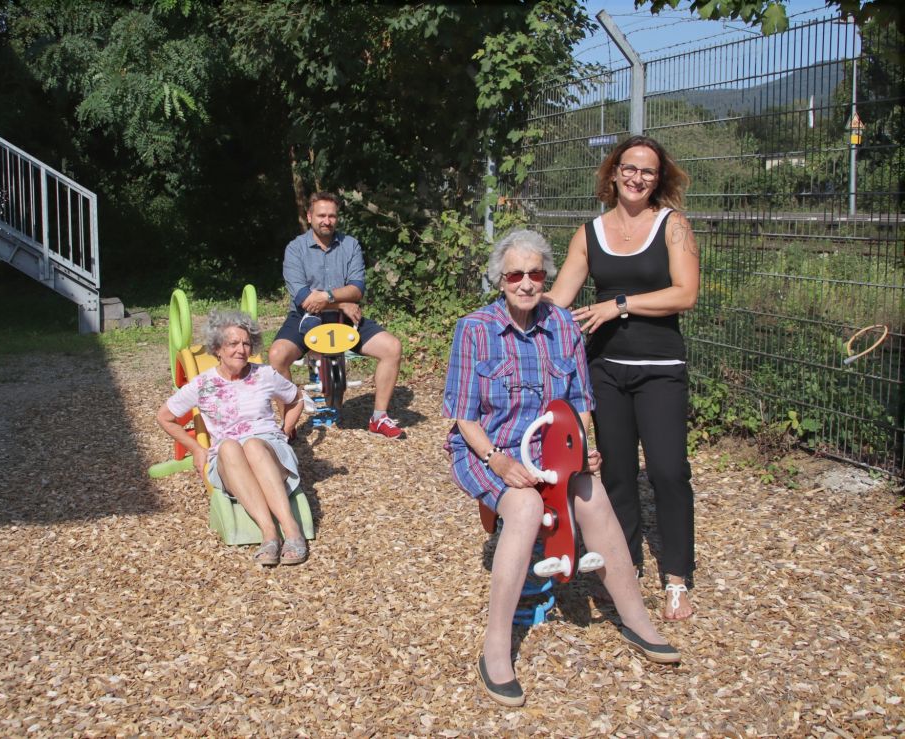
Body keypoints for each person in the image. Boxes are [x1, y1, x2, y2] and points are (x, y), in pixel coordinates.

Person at [444, 229, 679, 708]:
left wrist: (583, 450)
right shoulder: (475, 329)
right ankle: (495, 649)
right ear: (500, 279)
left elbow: (578, 405)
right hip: (488, 448)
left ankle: (636, 618)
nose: (526, 283)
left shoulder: (565, 327)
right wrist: (499, 461)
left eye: (535, 273)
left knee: (592, 496)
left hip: (549, 448)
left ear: (546, 276)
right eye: (515, 274)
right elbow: (465, 417)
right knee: (526, 508)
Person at [545, 135, 699, 622]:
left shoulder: (672, 226)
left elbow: (685, 294)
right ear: (613, 172)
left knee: (668, 471)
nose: (637, 177)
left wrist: (621, 305)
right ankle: (624, 565)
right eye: (629, 168)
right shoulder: (589, 233)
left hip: (660, 369)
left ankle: (677, 577)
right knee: (614, 473)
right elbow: (559, 299)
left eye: (648, 172)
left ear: (659, 180)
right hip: (604, 370)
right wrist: (513, 303)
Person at [157, 310, 308, 566]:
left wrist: (284, 430)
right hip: (229, 462)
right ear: (217, 348)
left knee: (252, 445)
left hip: (268, 449)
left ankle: (292, 530)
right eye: (233, 343)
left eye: (247, 343)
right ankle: (269, 534)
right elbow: (164, 417)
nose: (241, 349)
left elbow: (296, 399)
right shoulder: (202, 384)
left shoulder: (265, 375)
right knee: (227, 446)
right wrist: (195, 448)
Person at [268, 191, 406, 439]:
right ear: (310, 216)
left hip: (345, 319)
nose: (327, 221)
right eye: (321, 215)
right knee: (277, 356)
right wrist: (340, 304)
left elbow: (357, 289)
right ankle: (288, 426)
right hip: (304, 317)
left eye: (332, 216)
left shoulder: (350, 245)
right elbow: (304, 299)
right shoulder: (295, 249)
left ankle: (379, 417)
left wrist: (331, 298)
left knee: (392, 347)